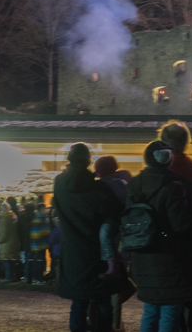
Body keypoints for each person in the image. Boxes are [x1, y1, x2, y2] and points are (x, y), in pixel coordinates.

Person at [128, 140, 192, 332]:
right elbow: (180, 225)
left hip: (142, 255)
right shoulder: (175, 186)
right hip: (171, 257)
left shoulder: (135, 184)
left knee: (150, 310)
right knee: (170, 311)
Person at [53, 142, 125, 332]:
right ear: (88, 161)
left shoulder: (59, 184)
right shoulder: (98, 189)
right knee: (102, 299)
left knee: (79, 301)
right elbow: (115, 212)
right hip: (96, 251)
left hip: (73, 251)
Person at [94, 156, 129, 279]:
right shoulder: (122, 181)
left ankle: (112, 265)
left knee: (105, 235)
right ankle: (124, 266)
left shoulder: (102, 183)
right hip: (124, 216)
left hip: (111, 217)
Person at [0, 201, 20, 281]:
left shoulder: (4, 219)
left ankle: (8, 278)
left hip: (6, 245)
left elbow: (3, 235)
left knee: (6, 262)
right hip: (13, 243)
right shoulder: (13, 216)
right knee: (11, 262)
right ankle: (12, 277)